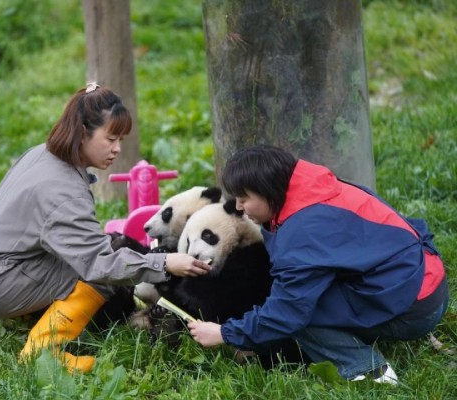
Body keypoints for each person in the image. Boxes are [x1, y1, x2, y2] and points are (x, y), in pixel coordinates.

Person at [0, 83, 211, 374]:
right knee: (102, 277)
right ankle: (42, 355)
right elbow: (100, 264)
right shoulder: (64, 191)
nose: (118, 148)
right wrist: (165, 262)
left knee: (94, 254)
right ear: (82, 133)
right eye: (111, 138)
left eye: (121, 139)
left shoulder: (41, 155)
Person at [188, 144, 448, 384]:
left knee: (300, 311)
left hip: (415, 307)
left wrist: (225, 333)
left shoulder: (303, 232)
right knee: (297, 298)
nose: (238, 206)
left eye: (244, 198)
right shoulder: (311, 188)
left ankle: (370, 372)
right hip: (423, 279)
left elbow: (286, 314)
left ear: (268, 190)